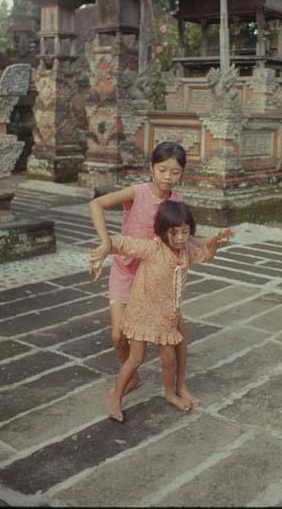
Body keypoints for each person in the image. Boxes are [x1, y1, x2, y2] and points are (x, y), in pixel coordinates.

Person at [88, 141, 211, 406]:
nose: (168, 176)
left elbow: (185, 235)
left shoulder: (176, 201)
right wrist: (104, 242)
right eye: (162, 170)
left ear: (182, 173)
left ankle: (180, 386)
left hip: (159, 275)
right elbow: (96, 204)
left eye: (175, 172)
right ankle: (131, 376)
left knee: (178, 332)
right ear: (151, 168)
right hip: (127, 271)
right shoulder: (137, 192)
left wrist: (212, 241)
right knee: (118, 335)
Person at [107, 201, 233, 422]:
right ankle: (116, 398)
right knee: (135, 359)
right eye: (174, 232)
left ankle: (169, 393)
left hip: (167, 317)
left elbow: (207, 256)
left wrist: (216, 241)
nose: (181, 237)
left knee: (169, 360)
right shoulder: (153, 248)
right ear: (162, 230)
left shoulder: (186, 251)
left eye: (185, 232)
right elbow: (122, 244)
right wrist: (101, 249)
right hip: (142, 313)